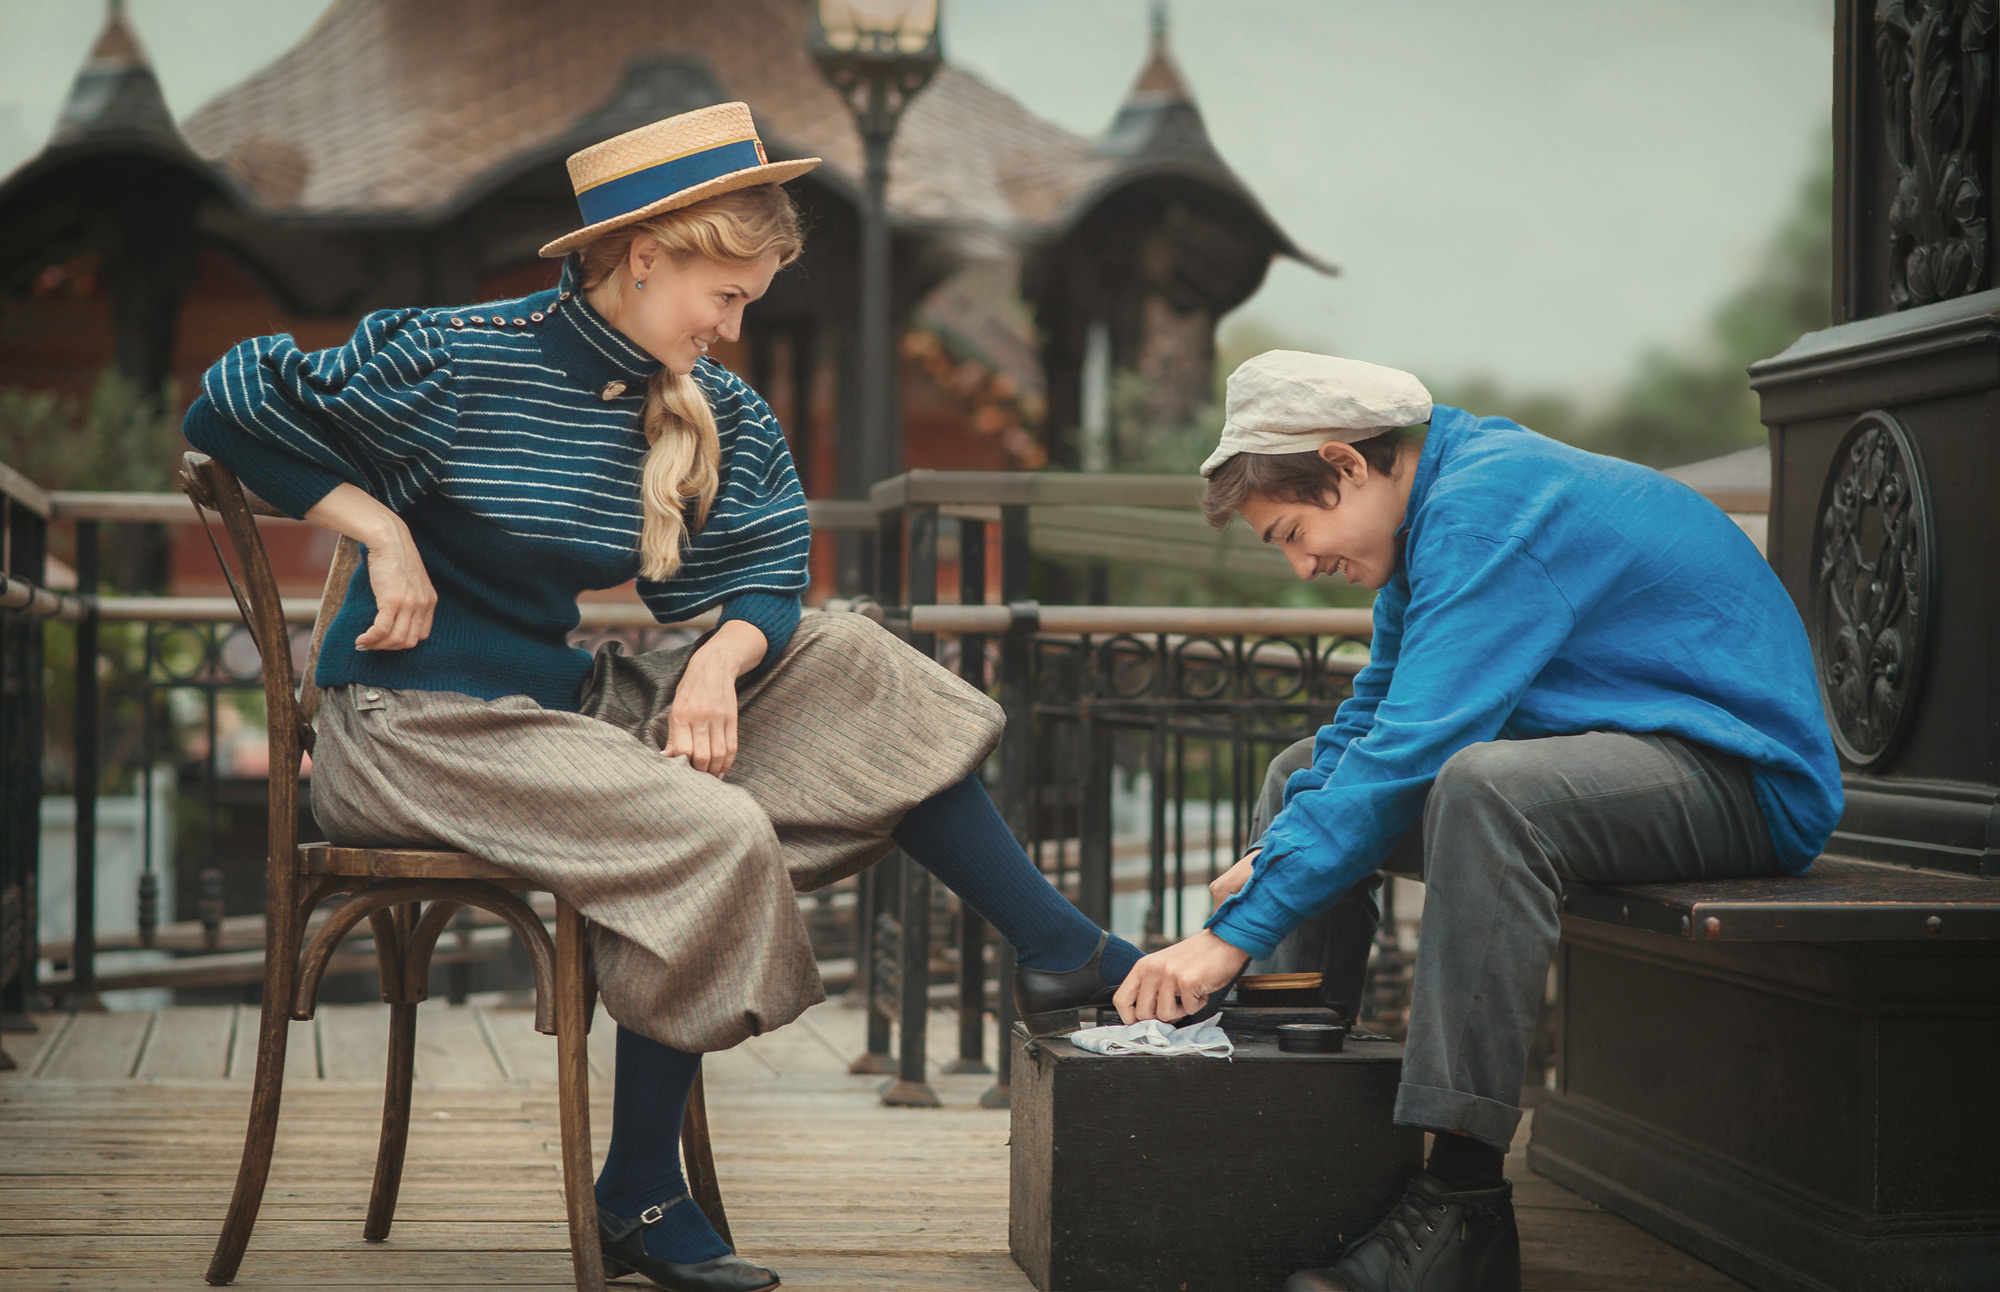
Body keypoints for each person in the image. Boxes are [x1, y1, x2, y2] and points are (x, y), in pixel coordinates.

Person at [182, 103, 1141, 1292]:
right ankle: (640, 1187)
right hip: (413, 728)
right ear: (644, 258)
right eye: (724, 295)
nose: (734, 327)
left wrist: (714, 659)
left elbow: (769, 567)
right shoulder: (456, 353)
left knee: (856, 660)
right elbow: (229, 399)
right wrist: (377, 526)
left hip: (559, 705)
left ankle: (1054, 945)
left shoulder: (704, 400)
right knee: (706, 821)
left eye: (748, 301)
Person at [1111, 350, 1842, 1292]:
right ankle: (1288, 1107)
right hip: (1625, 767)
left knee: (1484, 789)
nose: (1303, 564)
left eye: (1298, 530)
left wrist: (1229, 935)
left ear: (1345, 464)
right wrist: (1274, 858)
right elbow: (1370, 719)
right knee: (1302, 776)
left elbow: (1419, 746)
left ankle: (1461, 1208)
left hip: (1744, 781)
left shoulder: (1491, 507)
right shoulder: (1432, 516)